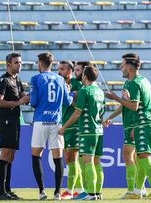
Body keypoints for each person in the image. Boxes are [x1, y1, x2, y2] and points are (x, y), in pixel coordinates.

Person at [105, 53, 151, 199]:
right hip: (142, 124)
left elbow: (134, 106)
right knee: (140, 158)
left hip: (143, 123)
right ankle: (138, 191)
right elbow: (129, 105)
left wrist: (115, 97)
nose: (121, 68)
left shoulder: (133, 83)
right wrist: (111, 117)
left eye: (123, 65)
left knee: (144, 158)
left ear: (129, 67)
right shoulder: (143, 80)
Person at [30, 52, 73, 200]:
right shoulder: (61, 80)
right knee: (58, 157)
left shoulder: (36, 79)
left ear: (41, 63)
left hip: (41, 120)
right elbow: (68, 102)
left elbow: (33, 102)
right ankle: (57, 192)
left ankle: (42, 191)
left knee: (36, 155)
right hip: (56, 122)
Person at [59, 66, 105, 200]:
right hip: (98, 130)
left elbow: (77, 113)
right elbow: (100, 112)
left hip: (87, 130)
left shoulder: (85, 90)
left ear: (85, 76)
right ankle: (97, 192)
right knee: (97, 162)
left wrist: (64, 127)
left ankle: (90, 193)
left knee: (88, 162)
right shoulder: (100, 91)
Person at [0, 52, 30, 200]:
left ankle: (7, 190)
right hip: (6, 120)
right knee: (5, 154)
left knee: (11, 156)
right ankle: (1, 192)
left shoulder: (17, 80)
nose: (19, 65)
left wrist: (27, 97)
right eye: (16, 62)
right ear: (8, 65)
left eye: (20, 62)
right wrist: (17, 103)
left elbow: (22, 96)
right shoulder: (3, 80)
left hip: (15, 120)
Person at [57, 61, 85, 200]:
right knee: (70, 161)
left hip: (74, 125)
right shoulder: (59, 83)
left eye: (62, 69)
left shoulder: (78, 85)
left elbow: (79, 105)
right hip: (63, 124)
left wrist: (69, 95)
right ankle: (78, 190)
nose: (59, 71)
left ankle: (69, 190)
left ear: (70, 71)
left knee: (70, 157)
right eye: (58, 69)